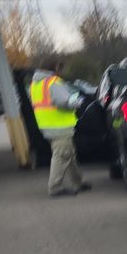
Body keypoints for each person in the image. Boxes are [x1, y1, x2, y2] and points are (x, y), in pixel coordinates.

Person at [30, 59, 90, 197]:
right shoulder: (53, 82)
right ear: (55, 68)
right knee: (61, 155)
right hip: (60, 126)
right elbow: (63, 101)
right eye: (61, 68)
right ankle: (55, 187)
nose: (61, 71)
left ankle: (78, 182)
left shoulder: (36, 83)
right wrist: (76, 102)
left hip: (47, 125)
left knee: (69, 154)